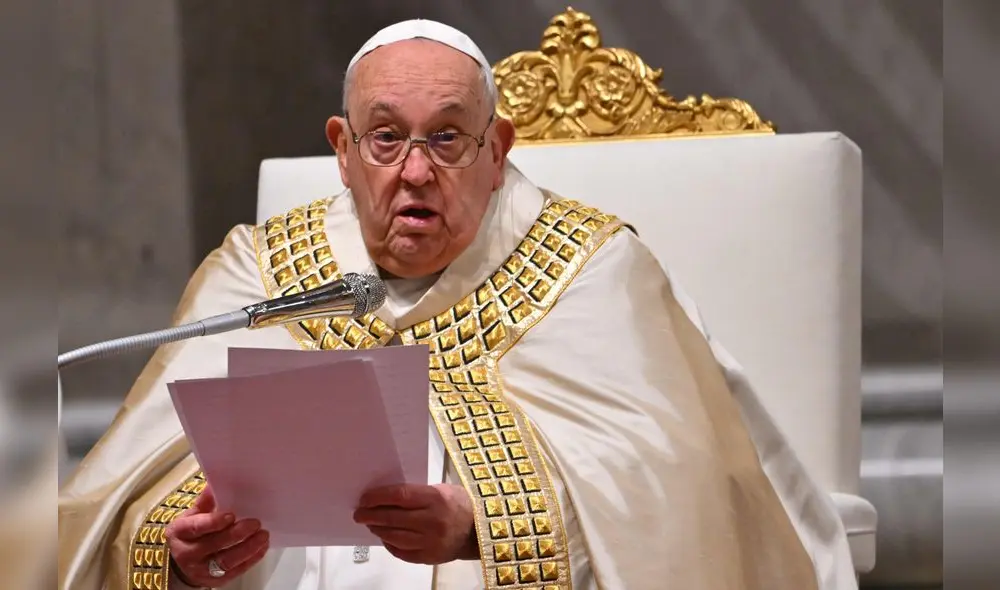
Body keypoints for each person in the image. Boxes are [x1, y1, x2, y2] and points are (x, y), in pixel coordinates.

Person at [58, 18, 858, 590]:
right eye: (386, 138)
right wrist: (178, 552)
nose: (415, 172)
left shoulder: (591, 267)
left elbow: (675, 499)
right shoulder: (259, 272)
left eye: (447, 139)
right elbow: (119, 499)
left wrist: (484, 527)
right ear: (342, 150)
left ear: (497, 150)